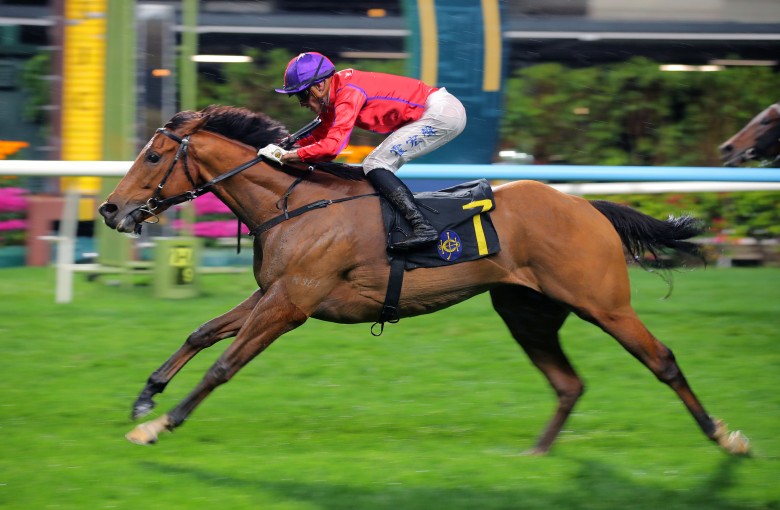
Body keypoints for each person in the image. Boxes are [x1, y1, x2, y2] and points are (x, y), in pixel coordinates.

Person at [258, 52, 467, 251]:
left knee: (375, 164)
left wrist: (288, 156)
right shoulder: (333, 97)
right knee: (375, 165)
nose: (302, 103)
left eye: (303, 95)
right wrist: (281, 146)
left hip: (441, 113)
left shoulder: (348, 92)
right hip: (437, 111)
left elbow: (333, 146)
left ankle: (422, 226)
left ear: (320, 85)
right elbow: (320, 141)